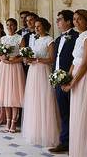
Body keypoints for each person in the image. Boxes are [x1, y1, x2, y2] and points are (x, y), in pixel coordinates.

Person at [62, 10, 87, 157]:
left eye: (80, 19)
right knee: (78, 117)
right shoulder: (79, 38)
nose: (76, 22)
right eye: (74, 19)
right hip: (77, 79)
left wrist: (72, 83)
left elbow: (84, 64)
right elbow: (74, 62)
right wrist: (65, 78)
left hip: (86, 79)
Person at [22, 17, 60, 147]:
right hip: (33, 72)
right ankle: (36, 132)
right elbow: (33, 55)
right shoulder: (36, 39)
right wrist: (28, 60)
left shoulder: (50, 40)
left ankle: (48, 133)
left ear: (44, 26)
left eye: (38, 26)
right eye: (35, 26)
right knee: (34, 100)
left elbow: (51, 59)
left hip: (43, 71)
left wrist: (37, 60)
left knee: (45, 99)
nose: (36, 28)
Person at [49, 10, 79, 154]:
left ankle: (76, 143)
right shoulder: (57, 39)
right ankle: (64, 142)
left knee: (75, 113)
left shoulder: (77, 37)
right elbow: (55, 60)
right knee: (63, 113)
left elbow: (77, 61)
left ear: (68, 21)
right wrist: (54, 77)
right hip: (58, 82)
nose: (57, 22)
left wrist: (69, 78)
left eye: (60, 19)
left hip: (73, 81)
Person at [0, 18, 25, 133]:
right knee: (5, 94)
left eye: (12, 25)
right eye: (8, 25)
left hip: (15, 67)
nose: (9, 27)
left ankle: (14, 123)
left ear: (15, 26)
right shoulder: (3, 38)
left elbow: (23, 56)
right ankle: (7, 121)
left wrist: (13, 61)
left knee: (14, 94)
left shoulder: (20, 38)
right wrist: (3, 58)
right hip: (4, 67)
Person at [20, 12, 39, 77]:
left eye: (31, 20)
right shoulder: (25, 37)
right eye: (27, 21)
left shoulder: (43, 35)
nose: (29, 22)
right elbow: (22, 50)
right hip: (27, 65)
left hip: (39, 64)